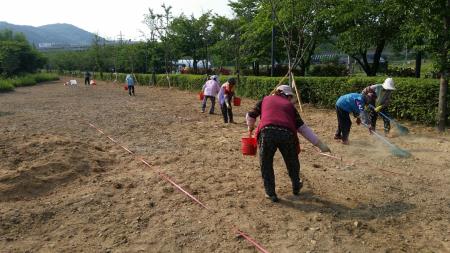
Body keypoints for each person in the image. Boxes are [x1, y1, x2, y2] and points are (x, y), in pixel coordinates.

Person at [246, 85, 331, 202]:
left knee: (266, 162)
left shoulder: (265, 100)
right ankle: (296, 185)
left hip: (267, 132)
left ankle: (270, 193)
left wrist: (250, 127)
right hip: (287, 134)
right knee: (292, 161)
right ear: (288, 96)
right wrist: (320, 145)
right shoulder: (290, 106)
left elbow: (251, 115)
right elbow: (302, 128)